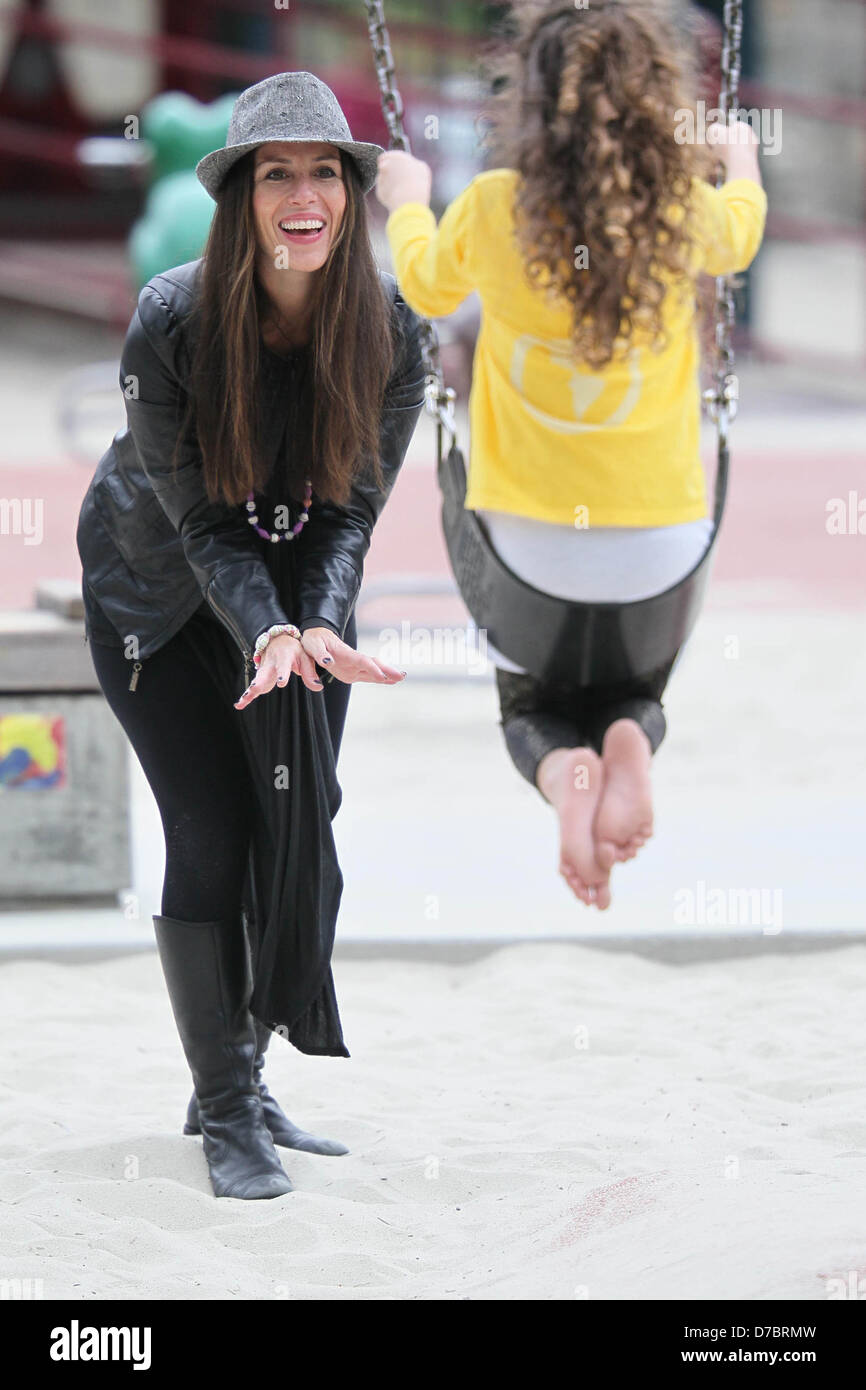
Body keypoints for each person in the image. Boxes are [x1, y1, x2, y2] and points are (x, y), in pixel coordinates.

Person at [76, 71, 425, 1199]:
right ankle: (227, 1114)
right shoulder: (172, 319)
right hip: (160, 599)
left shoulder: (390, 328)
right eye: (276, 173)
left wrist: (309, 626)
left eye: (325, 170)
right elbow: (199, 522)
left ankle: (232, 1071)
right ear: (239, 197)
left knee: (295, 822)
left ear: (350, 191)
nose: (304, 193)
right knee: (214, 828)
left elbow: (351, 511)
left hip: (293, 605)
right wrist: (265, 624)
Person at [375, 0, 765, 911]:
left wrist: (406, 201)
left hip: (529, 546)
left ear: (533, 104)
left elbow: (425, 287)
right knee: (638, 682)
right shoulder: (681, 211)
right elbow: (741, 228)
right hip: (663, 543)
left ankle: (574, 773)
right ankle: (631, 733)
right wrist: (736, 153)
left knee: (530, 709)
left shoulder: (493, 209)